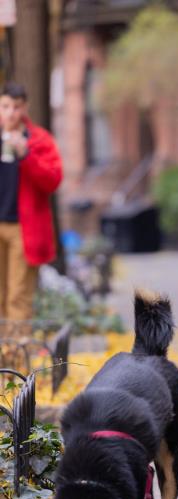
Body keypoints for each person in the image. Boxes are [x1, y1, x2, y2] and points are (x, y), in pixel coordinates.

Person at [0, 81, 62, 322]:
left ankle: (15, 357)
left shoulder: (39, 140)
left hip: (23, 229)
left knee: (18, 296)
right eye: (5, 106)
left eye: (16, 107)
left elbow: (52, 180)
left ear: (25, 108)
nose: (10, 113)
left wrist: (27, 155)